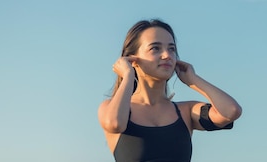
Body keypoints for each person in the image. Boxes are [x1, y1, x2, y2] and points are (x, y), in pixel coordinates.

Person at [97, 19, 242, 162]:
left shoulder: (186, 111)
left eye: (171, 49)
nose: (167, 55)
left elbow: (231, 111)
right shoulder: (113, 109)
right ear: (132, 59)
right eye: (155, 48)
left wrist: (194, 80)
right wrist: (128, 76)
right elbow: (115, 123)